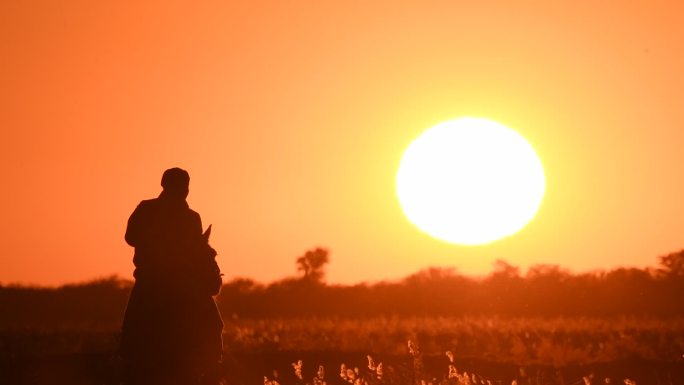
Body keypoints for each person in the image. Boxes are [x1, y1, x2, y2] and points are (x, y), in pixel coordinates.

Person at [120, 167, 223, 385]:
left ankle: (211, 365)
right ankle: (212, 365)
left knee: (133, 330)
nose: (183, 190)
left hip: (160, 284)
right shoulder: (164, 212)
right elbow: (131, 237)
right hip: (164, 284)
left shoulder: (170, 213)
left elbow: (130, 237)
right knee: (212, 323)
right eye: (181, 186)